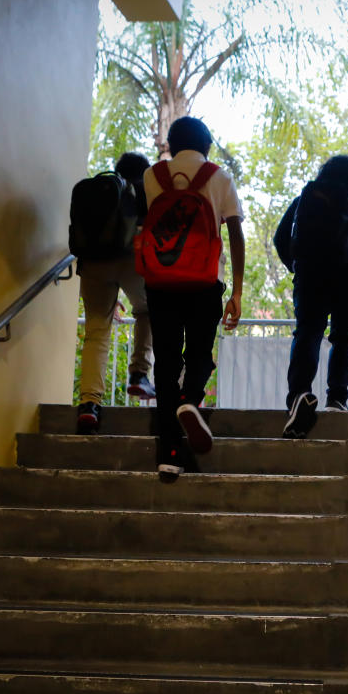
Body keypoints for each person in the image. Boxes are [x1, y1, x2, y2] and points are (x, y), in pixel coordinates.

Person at [140, 116, 245, 478]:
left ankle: (169, 454)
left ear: (170, 142)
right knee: (199, 356)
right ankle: (189, 404)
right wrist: (238, 290)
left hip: (160, 283)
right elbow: (235, 233)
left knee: (166, 363)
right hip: (204, 282)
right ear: (207, 145)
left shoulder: (152, 176)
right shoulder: (219, 176)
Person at [274, 155, 348, 437]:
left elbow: (280, 236)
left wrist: (296, 266)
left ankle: (299, 394)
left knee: (308, 333)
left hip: (310, 275)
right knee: (343, 337)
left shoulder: (306, 198)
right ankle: (337, 398)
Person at [75, 152, 155, 435]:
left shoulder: (100, 192)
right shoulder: (143, 190)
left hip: (93, 264)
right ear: (143, 172)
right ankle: (139, 373)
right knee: (147, 310)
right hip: (132, 259)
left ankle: (89, 405)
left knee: (96, 333)